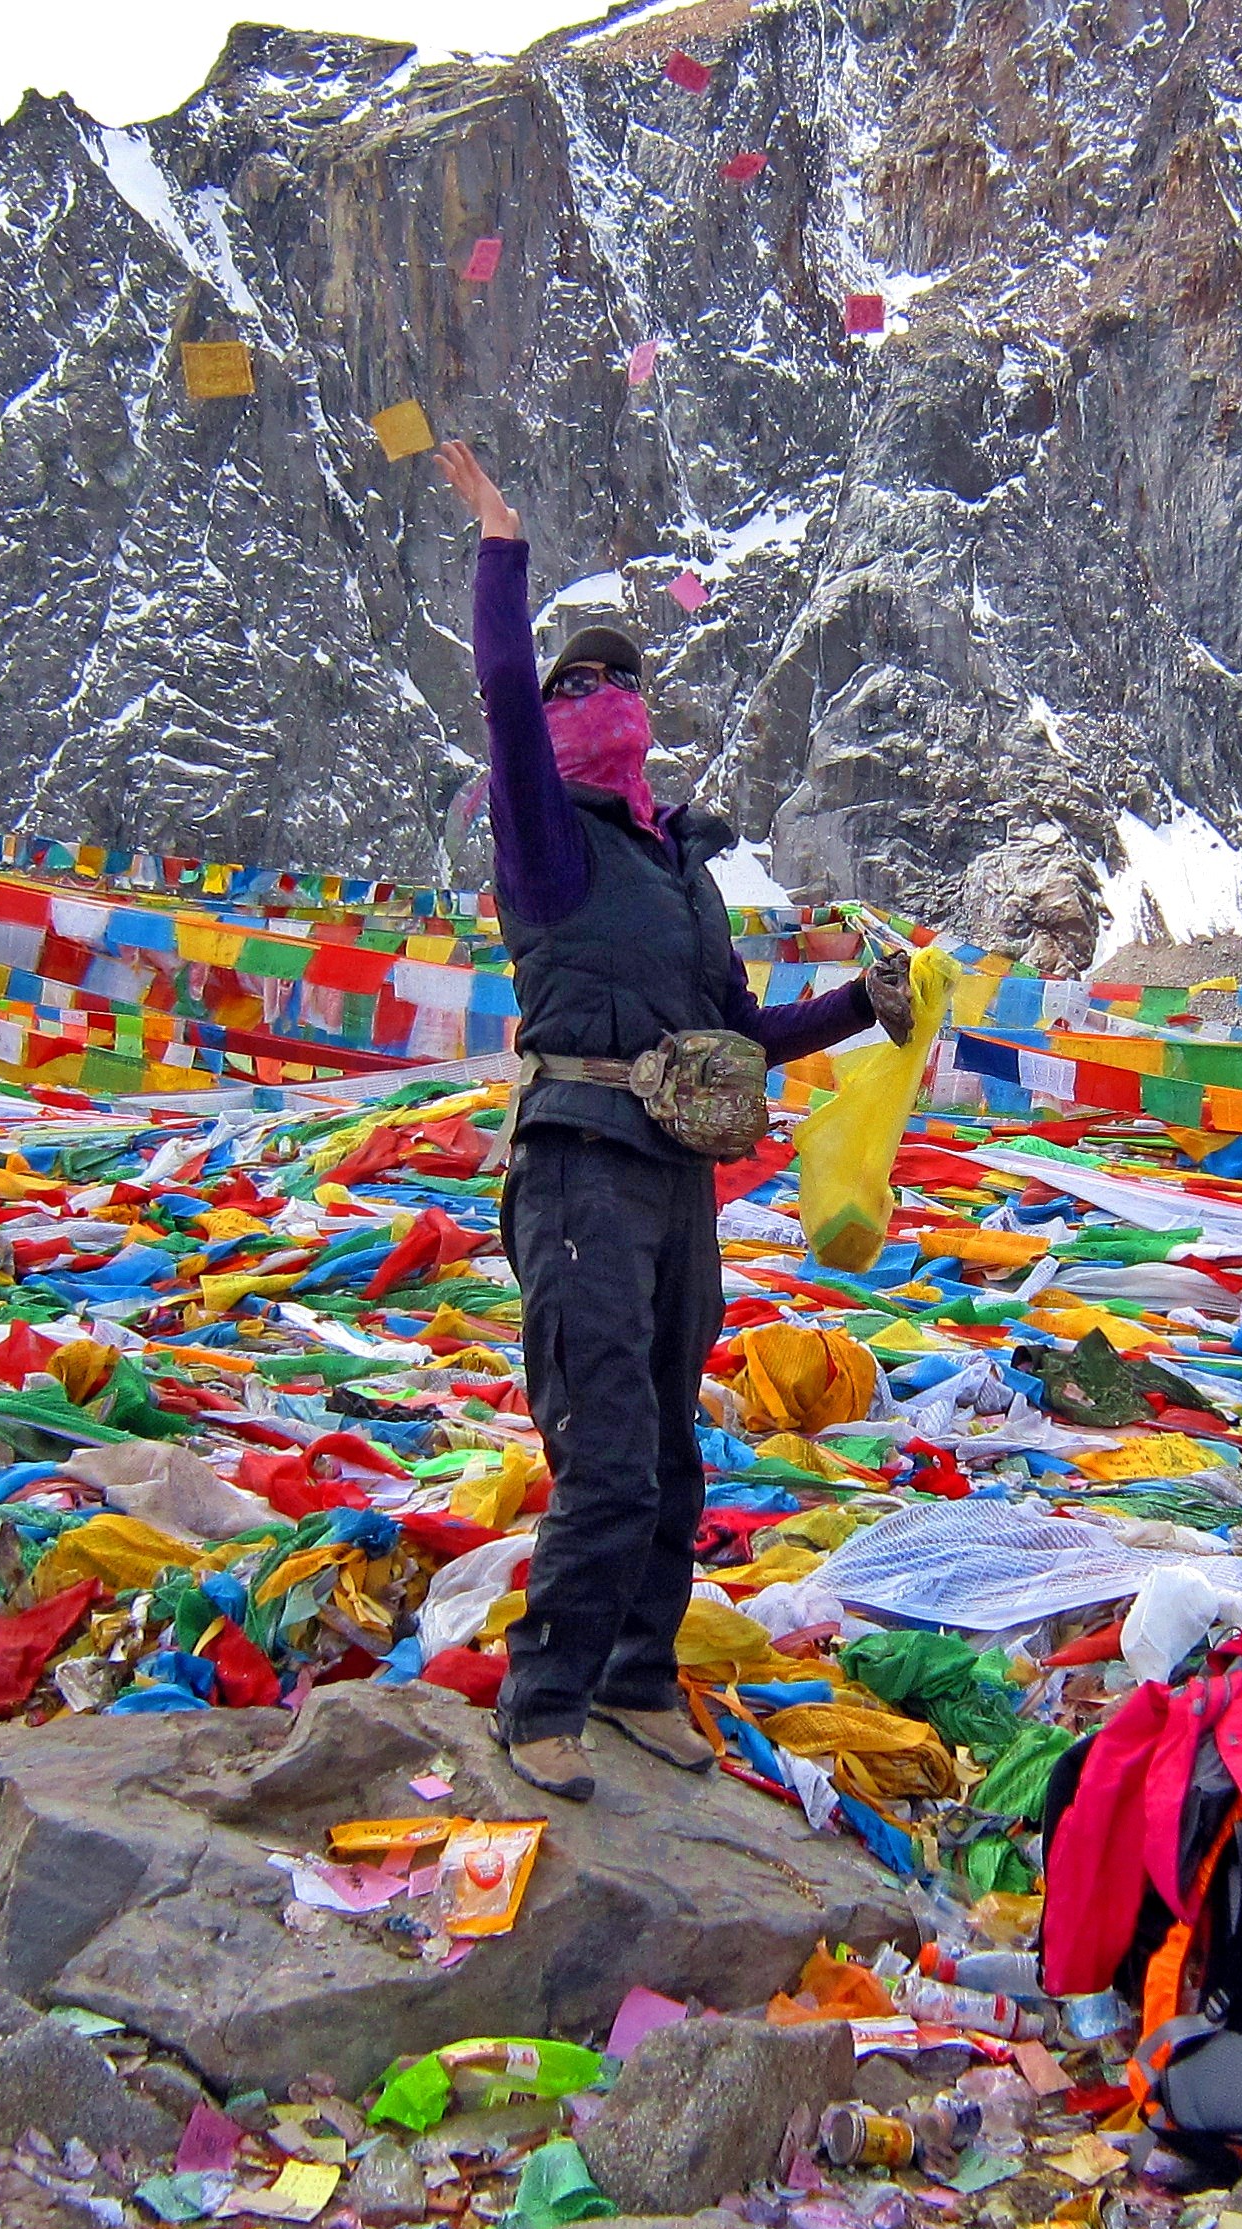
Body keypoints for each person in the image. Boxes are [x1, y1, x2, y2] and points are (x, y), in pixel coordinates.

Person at [432, 438, 915, 1801]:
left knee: (672, 1444)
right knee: (609, 1450)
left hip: (674, 1182)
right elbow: (503, 701)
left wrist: (866, 1008)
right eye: (581, 684)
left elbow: (741, 1032)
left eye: (622, 680)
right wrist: (501, 544)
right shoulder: (548, 838)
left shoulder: (679, 872)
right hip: (578, 1171)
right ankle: (544, 1697)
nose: (603, 699)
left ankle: (640, 1676)